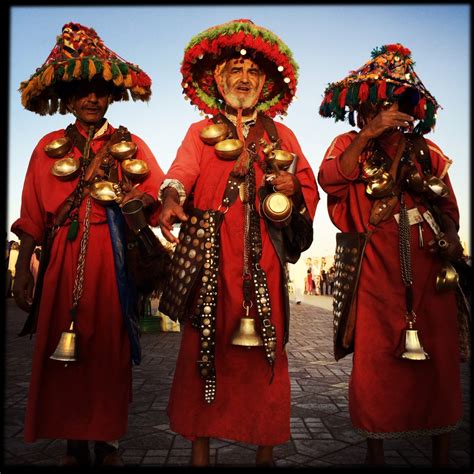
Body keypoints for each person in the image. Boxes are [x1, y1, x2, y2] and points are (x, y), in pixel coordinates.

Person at [157, 19, 318, 466]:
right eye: (233, 72)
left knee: (268, 350)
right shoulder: (199, 133)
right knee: (200, 350)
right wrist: (170, 198)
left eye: (252, 74)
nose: (243, 78)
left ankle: (264, 452)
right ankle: (199, 453)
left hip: (263, 258)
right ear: (218, 82)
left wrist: (292, 185)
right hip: (210, 256)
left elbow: (306, 187)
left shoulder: (281, 136)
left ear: (265, 83)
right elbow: (180, 173)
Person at [11, 22, 165, 467]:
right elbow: (31, 214)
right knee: (61, 352)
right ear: (67, 98)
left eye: (100, 90)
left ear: (112, 95)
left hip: (111, 260)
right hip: (60, 261)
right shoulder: (47, 147)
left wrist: (139, 198)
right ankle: (73, 442)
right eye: (83, 91)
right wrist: (23, 269)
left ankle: (107, 440)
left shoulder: (129, 145)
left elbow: (152, 193)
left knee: (106, 351)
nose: (92, 98)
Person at [318, 43, 465, 467]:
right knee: (375, 359)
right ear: (361, 108)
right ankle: (375, 454)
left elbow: (449, 209)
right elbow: (331, 180)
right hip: (376, 264)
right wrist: (369, 133)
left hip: (430, 268)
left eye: (394, 104)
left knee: (438, 358)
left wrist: (451, 238)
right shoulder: (349, 143)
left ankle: (441, 453)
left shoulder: (426, 151)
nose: (387, 111)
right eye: (377, 105)